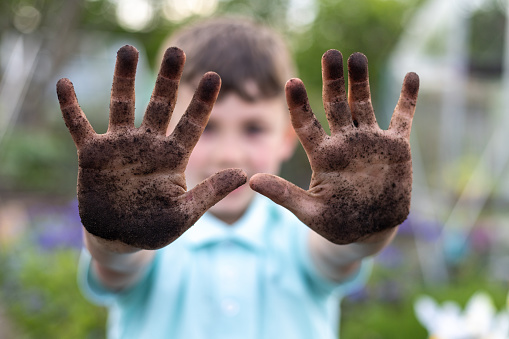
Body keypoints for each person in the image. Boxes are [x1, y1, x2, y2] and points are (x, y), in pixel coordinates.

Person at [56, 17, 419, 339]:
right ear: (164, 134)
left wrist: (365, 227)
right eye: (206, 127)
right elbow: (117, 265)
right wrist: (117, 237)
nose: (229, 153)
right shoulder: (150, 238)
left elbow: (339, 255)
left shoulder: (302, 235)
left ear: (288, 138)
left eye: (254, 128)